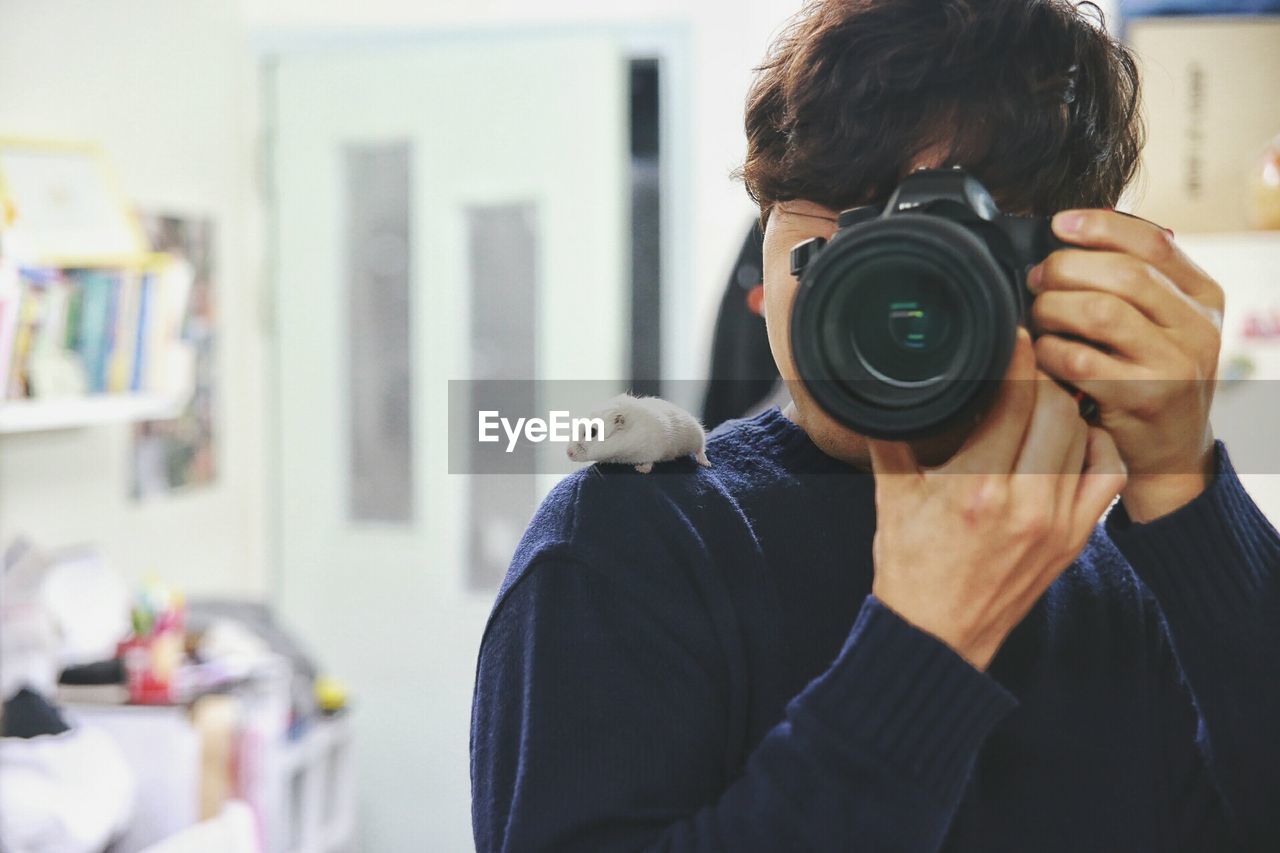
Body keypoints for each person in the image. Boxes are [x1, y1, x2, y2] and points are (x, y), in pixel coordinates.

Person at [470, 1, 1280, 850]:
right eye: (836, 214)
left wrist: (1188, 493)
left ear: (1073, 257)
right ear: (769, 235)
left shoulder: (1125, 575)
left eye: (956, 232)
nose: (893, 284)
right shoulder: (627, 544)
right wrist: (925, 646)